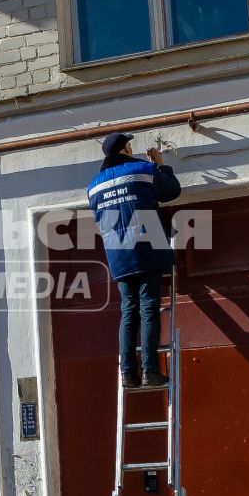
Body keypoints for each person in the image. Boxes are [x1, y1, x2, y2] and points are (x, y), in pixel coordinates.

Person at [86, 132, 183, 388]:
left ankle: (128, 373)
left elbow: (99, 217)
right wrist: (161, 165)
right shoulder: (143, 169)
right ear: (125, 149)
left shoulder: (94, 185)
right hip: (145, 247)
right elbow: (171, 191)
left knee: (129, 312)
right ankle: (150, 370)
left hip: (118, 254)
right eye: (129, 145)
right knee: (149, 307)